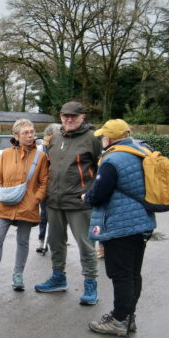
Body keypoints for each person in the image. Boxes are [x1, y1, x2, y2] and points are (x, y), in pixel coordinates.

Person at [83, 119, 155, 336]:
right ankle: (128, 317)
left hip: (121, 225)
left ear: (110, 138)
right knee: (133, 273)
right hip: (141, 222)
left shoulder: (112, 159)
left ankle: (119, 320)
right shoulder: (141, 152)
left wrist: (87, 197)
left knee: (120, 274)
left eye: (103, 136)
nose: (102, 140)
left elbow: (99, 193)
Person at [34, 101, 102, 305]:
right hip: (54, 202)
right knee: (55, 243)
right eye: (66, 116)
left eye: (74, 116)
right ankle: (58, 278)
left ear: (82, 117)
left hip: (79, 204)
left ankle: (90, 284)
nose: (69, 119)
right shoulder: (55, 137)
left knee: (86, 246)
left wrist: (91, 193)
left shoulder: (93, 138)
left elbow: (102, 169)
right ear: (61, 117)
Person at [0, 119, 49, 291]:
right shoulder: (6, 154)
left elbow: (44, 182)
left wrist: (35, 199)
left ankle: (18, 276)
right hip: (5, 203)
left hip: (28, 206)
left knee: (23, 241)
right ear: (16, 136)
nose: (30, 135)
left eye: (32, 131)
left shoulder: (41, 156)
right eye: (25, 133)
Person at [36, 123, 59, 253]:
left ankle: (56, 241)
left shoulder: (62, 147)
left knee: (57, 217)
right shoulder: (40, 149)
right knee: (44, 214)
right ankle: (42, 240)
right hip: (45, 186)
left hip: (59, 187)